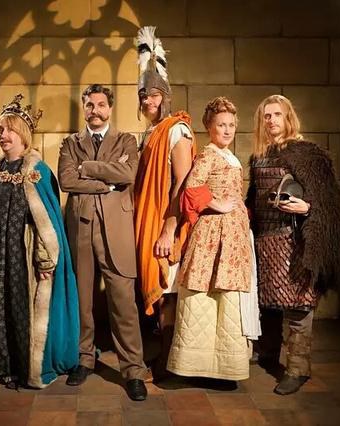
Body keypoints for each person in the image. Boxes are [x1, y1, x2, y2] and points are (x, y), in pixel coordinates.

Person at [0, 94, 79, 389]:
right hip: (0, 255)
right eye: (0, 130)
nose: (3, 135)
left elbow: (48, 224)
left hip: (25, 255)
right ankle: (0, 365)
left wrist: (45, 261)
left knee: (24, 311)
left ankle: (26, 368)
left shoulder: (38, 173)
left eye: (9, 129)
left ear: (22, 134)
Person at [247, 95, 340, 395]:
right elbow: (254, 198)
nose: (272, 120)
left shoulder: (308, 154)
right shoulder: (259, 157)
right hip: (266, 239)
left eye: (277, 114)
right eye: (267, 116)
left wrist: (307, 208)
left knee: (299, 304)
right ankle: (268, 352)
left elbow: (329, 203)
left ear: (288, 117)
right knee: (268, 302)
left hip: (296, 240)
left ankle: (298, 368)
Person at [58, 84, 148, 401]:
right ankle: (84, 359)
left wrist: (89, 169)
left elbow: (128, 174)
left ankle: (133, 371)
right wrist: (105, 184)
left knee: (123, 303)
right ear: (84, 108)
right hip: (81, 229)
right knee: (82, 302)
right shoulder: (70, 143)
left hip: (117, 231)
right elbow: (67, 180)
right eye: (89, 105)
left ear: (109, 108)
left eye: (100, 105)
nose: (94, 110)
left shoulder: (126, 141)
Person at [167, 97, 260, 381]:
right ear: (210, 126)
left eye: (231, 124)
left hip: (232, 236)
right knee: (204, 292)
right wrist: (216, 204)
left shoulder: (229, 156)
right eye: (221, 125)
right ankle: (196, 364)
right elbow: (191, 188)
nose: (227, 130)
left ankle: (224, 366)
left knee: (228, 294)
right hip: (213, 234)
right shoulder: (208, 155)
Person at [133, 26, 196, 379]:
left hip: (167, 222)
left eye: (154, 95)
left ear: (166, 96)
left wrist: (169, 229)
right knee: (159, 291)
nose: (148, 101)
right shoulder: (150, 132)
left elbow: (183, 184)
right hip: (148, 219)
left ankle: (170, 363)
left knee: (168, 288)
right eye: (143, 95)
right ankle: (162, 355)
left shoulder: (176, 130)